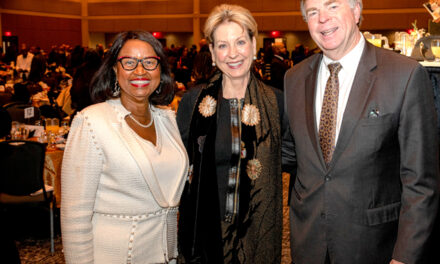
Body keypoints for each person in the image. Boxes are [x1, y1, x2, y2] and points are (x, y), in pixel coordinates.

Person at [284, 0, 440, 264]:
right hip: (307, 243)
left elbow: (421, 182)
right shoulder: (294, 79)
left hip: (375, 246)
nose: (322, 18)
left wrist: (405, 257)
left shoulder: (404, 75)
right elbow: (289, 152)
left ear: (356, 11)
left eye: (332, 6)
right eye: (313, 12)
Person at [177, 4, 293, 263]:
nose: (232, 54)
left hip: (257, 232)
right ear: (212, 52)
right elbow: (177, 164)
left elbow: (293, 159)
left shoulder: (278, 103)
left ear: (253, 44)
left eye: (240, 42)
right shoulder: (193, 103)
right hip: (205, 234)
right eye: (222, 45)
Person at [61, 31, 188, 264]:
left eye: (149, 62)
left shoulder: (168, 119)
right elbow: (74, 217)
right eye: (129, 62)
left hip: (166, 256)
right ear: (114, 70)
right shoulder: (91, 122)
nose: (140, 71)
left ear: (161, 70)